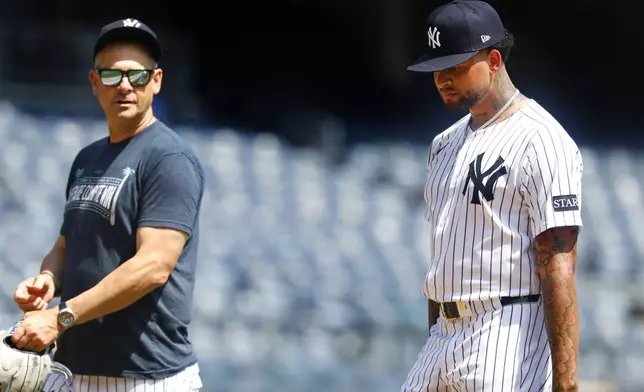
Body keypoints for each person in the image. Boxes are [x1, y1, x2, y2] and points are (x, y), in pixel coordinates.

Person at [10, 18, 205, 391]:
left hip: (147, 377)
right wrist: (48, 279)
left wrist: (60, 318)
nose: (126, 86)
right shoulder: (87, 158)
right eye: (112, 76)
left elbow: (153, 267)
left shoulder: (169, 158)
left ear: (157, 81)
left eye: (138, 76)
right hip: (69, 370)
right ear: (95, 83)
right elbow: (65, 247)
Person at [401, 1, 583, 391]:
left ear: (495, 59)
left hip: (506, 330)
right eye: (437, 69)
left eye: (455, 67)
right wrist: (438, 335)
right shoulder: (442, 145)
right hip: (442, 338)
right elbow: (444, 258)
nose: (442, 79)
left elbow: (559, 266)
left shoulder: (542, 139)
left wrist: (566, 385)